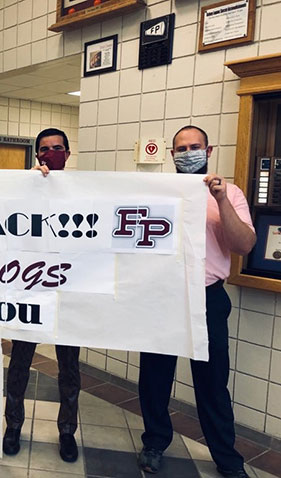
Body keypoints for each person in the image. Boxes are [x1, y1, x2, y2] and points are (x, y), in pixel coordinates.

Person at [137, 126, 256, 478]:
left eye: (195, 147)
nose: (188, 152)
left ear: (209, 150)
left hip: (208, 297)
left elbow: (245, 244)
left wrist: (219, 200)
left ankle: (227, 458)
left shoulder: (230, 193)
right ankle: (154, 442)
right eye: (181, 148)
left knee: (212, 379)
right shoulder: (155, 192)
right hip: (162, 295)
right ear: (171, 155)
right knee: (155, 376)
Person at [3, 128, 81, 463]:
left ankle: (67, 431)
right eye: (45, 149)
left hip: (67, 293)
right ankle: (13, 426)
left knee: (70, 368)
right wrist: (29, 186)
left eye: (57, 148)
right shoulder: (24, 189)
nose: (51, 153)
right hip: (30, 291)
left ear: (68, 152)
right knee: (19, 363)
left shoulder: (82, 191)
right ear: (37, 155)